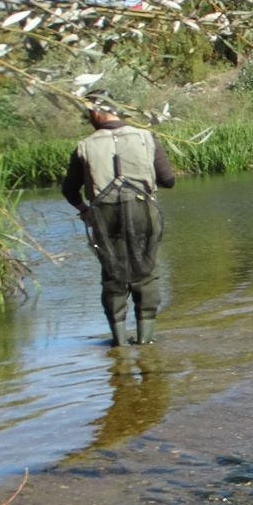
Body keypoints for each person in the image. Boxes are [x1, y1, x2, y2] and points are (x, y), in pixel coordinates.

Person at [61, 95, 176, 346]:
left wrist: (84, 210)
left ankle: (119, 343)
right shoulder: (146, 137)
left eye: (89, 114)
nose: (88, 119)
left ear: (98, 113)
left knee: (113, 273)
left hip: (105, 214)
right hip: (142, 210)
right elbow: (168, 180)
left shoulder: (85, 145)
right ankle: (146, 339)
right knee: (146, 272)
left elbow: (69, 190)